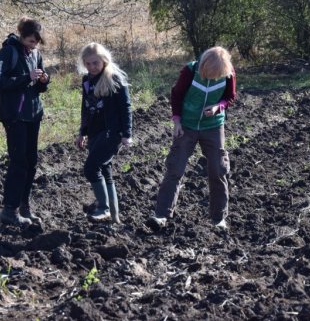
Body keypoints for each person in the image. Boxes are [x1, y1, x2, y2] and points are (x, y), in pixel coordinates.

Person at [150, 46, 236, 230]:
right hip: (187, 125)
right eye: (210, 74)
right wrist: (177, 121)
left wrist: (217, 108)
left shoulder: (228, 72)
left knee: (218, 169)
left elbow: (230, 97)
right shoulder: (190, 71)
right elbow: (177, 95)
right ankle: (161, 215)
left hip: (212, 126)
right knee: (175, 168)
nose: (213, 78)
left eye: (217, 75)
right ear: (203, 66)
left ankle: (218, 218)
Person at [0, 17, 50, 226]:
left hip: (33, 114)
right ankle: (10, 210)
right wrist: (26, 77)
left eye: (36, 41)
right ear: (22, 36)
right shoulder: (9, 52)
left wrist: (44, 80)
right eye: (30, 40)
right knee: (19, 163)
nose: (33, 45)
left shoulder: (36, 54)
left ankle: (25, 207)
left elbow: (39, 86)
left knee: (31, 161)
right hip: (14, 115)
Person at [75, 43, 132, 224]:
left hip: (111, 133)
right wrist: (82, 132)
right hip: (94, 133)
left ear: (104, 61)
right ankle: (115, 218)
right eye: (88, 64)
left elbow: (126, 108)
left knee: (91, 168)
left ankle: (104, 208)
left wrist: (127, 134)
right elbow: (85, 108)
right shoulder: (86, 80)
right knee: (105, 171)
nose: (92, 67)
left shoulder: (114, 79)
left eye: (95, 63)